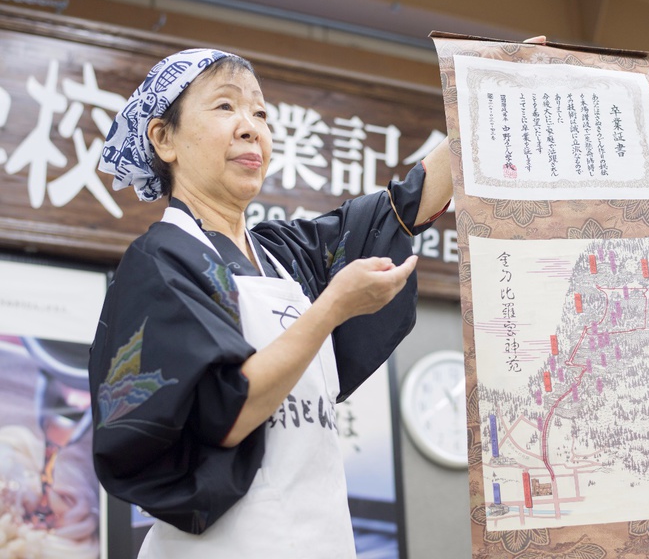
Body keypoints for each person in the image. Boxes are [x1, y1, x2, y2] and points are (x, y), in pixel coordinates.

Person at [88, 48, 453, 557]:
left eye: (260, 113)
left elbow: (403, 205)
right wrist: (332, 309)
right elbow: (227, 413)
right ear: (163, 138)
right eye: (224, 107)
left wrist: (487, 104)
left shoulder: (283, 256)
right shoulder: (160, 262)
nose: (250, 127)